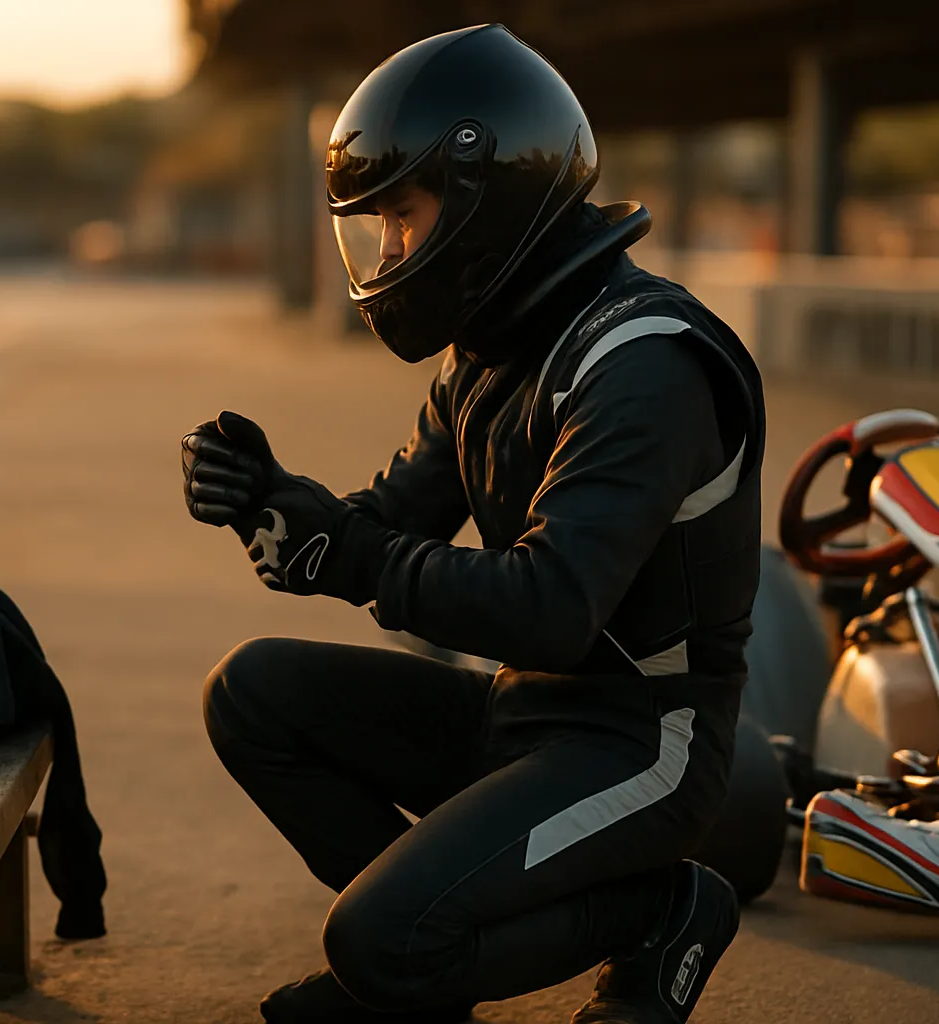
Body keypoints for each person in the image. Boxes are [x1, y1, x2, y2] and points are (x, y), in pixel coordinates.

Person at [181, 23, 764, 1024]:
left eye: (402, 216)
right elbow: (383, 524)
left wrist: (349, 549)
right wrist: (268, 502)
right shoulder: (490, 355)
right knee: (250, 691)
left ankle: (660, 910)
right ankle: (414, 952)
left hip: (644, 742)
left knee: (376, 937)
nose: (392, 249)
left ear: (484, 194)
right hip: (524, 718)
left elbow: (549, 611)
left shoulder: (644, 362)